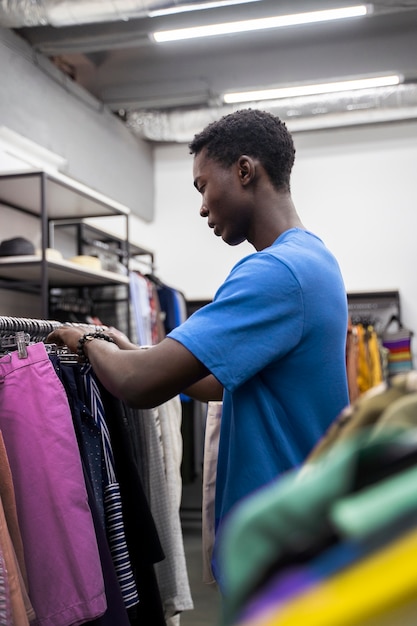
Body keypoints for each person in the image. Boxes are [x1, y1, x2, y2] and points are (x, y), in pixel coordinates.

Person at [47, 108, 349, 589]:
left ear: (245, 171)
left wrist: (83, 339)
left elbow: (136, 386)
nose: (203, 206)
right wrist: (134, 348)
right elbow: (216, 381)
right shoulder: (315, 260)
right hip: (303, 534)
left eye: (203, 186)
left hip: (284, 552)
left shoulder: (273, 273)